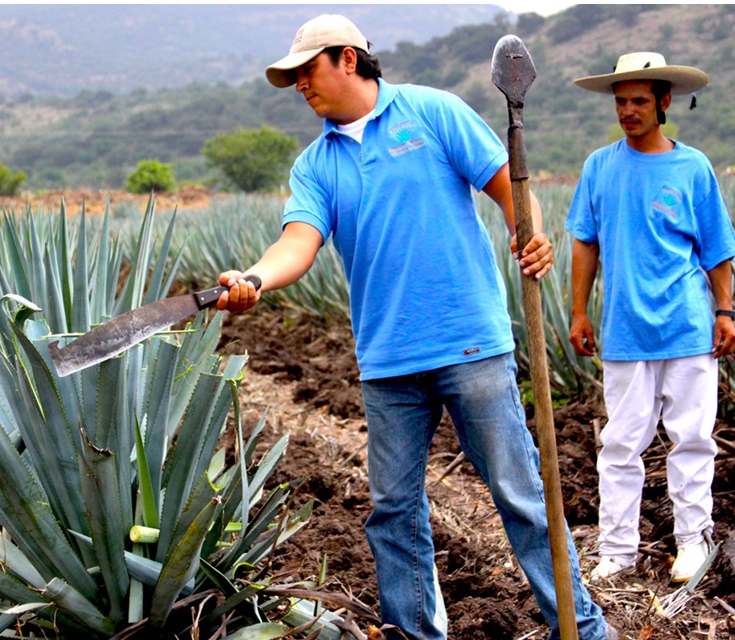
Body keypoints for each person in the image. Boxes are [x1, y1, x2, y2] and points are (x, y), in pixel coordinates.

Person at [215, 14, 616, 640]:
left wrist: (529, 233)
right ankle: (412, 633)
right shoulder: (315, 165)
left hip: (470, 344)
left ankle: (582, 628)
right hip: (388, 362)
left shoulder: (433, 112)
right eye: (291, 78)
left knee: (521, 496)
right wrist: (256, 279)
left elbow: (510, 185)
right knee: (393, 512)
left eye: (306, 71)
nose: (299, 86)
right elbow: (298, 242)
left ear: (348, 59)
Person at [566, 52, 735, 584]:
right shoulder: (600, 166)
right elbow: (584, 242)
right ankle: (618, 552)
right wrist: (578, 311)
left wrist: (726, 311)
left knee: (691, 439)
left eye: (639, 101)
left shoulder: (693, 167)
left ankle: (693, 542)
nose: (628, 111)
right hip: (624, 330)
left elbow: (716, 248)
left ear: (664, 103)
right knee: (620, 446)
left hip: (687, 327)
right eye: (621, 102)